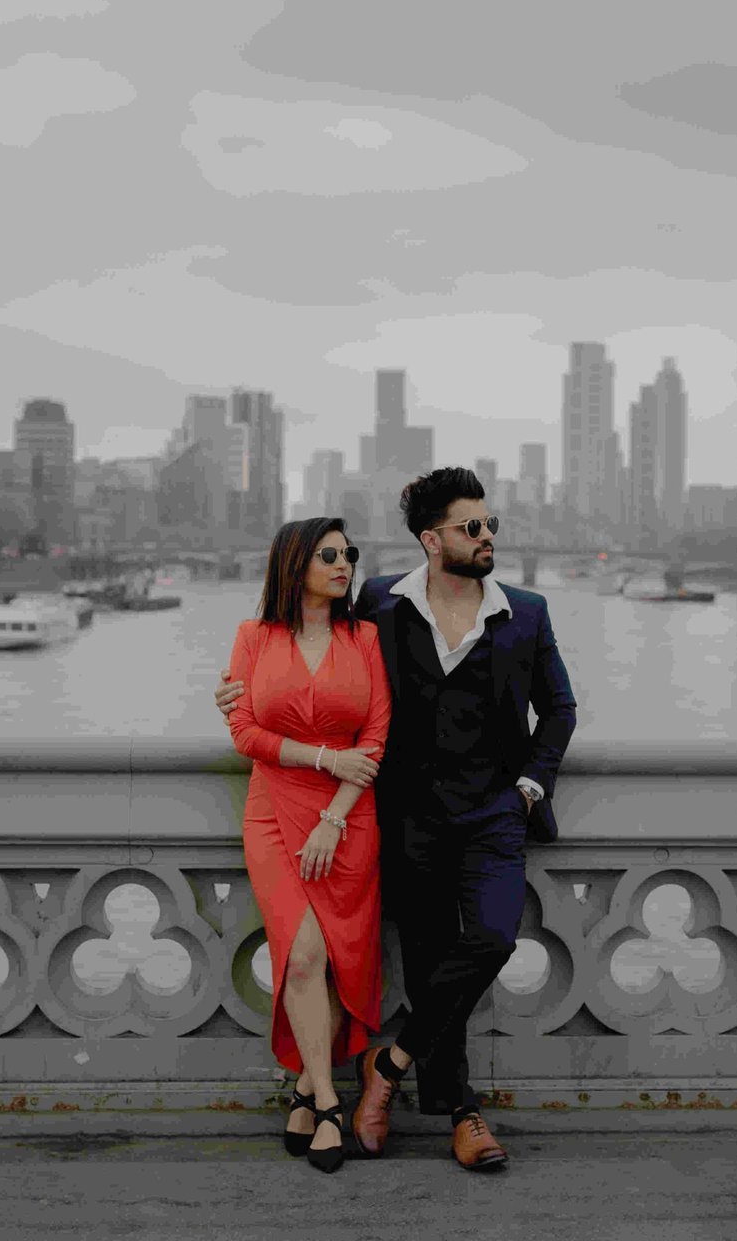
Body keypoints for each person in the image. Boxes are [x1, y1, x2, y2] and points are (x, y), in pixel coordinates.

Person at [217, 468, 577, 1172]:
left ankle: (390, 1062)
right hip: (407, 819)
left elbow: (559, 709)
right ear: (431, 539)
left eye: (490, 524)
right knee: (430, 964)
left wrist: (531, 786)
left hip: (494, 815)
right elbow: (301, 654)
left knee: (494, 937)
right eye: (471, 527)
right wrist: (234, 694)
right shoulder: (379, 604)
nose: (487, 536)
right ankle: (462, 1115)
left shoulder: (526, 611)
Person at [225, 517, 390, 1174]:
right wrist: (323, 757)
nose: (344, 563)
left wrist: (335, 817)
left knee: (334, 959)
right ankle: (327, 1102)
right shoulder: (252, 638)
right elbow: (242, 731)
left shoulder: (366, 637)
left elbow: (375, 738)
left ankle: (302, 1088)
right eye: (329, 555)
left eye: (348, 554)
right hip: (272, 812)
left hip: (349, 819)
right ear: (295, 564)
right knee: (302, 954)